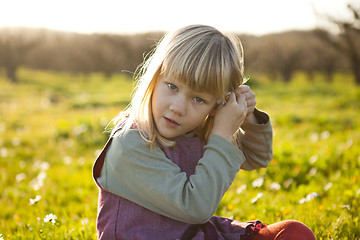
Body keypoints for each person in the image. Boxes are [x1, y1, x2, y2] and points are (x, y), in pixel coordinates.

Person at [93, 25, 315, 240]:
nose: (178, 108)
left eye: (198, 99)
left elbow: (258, 157)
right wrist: (221, 135)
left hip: (194, 234)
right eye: (172, 86)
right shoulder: (130, 143)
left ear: (217, 105)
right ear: (154, 77)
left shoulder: (196, 131)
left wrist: (246, 115)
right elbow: (195, 207)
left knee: (294, 233)